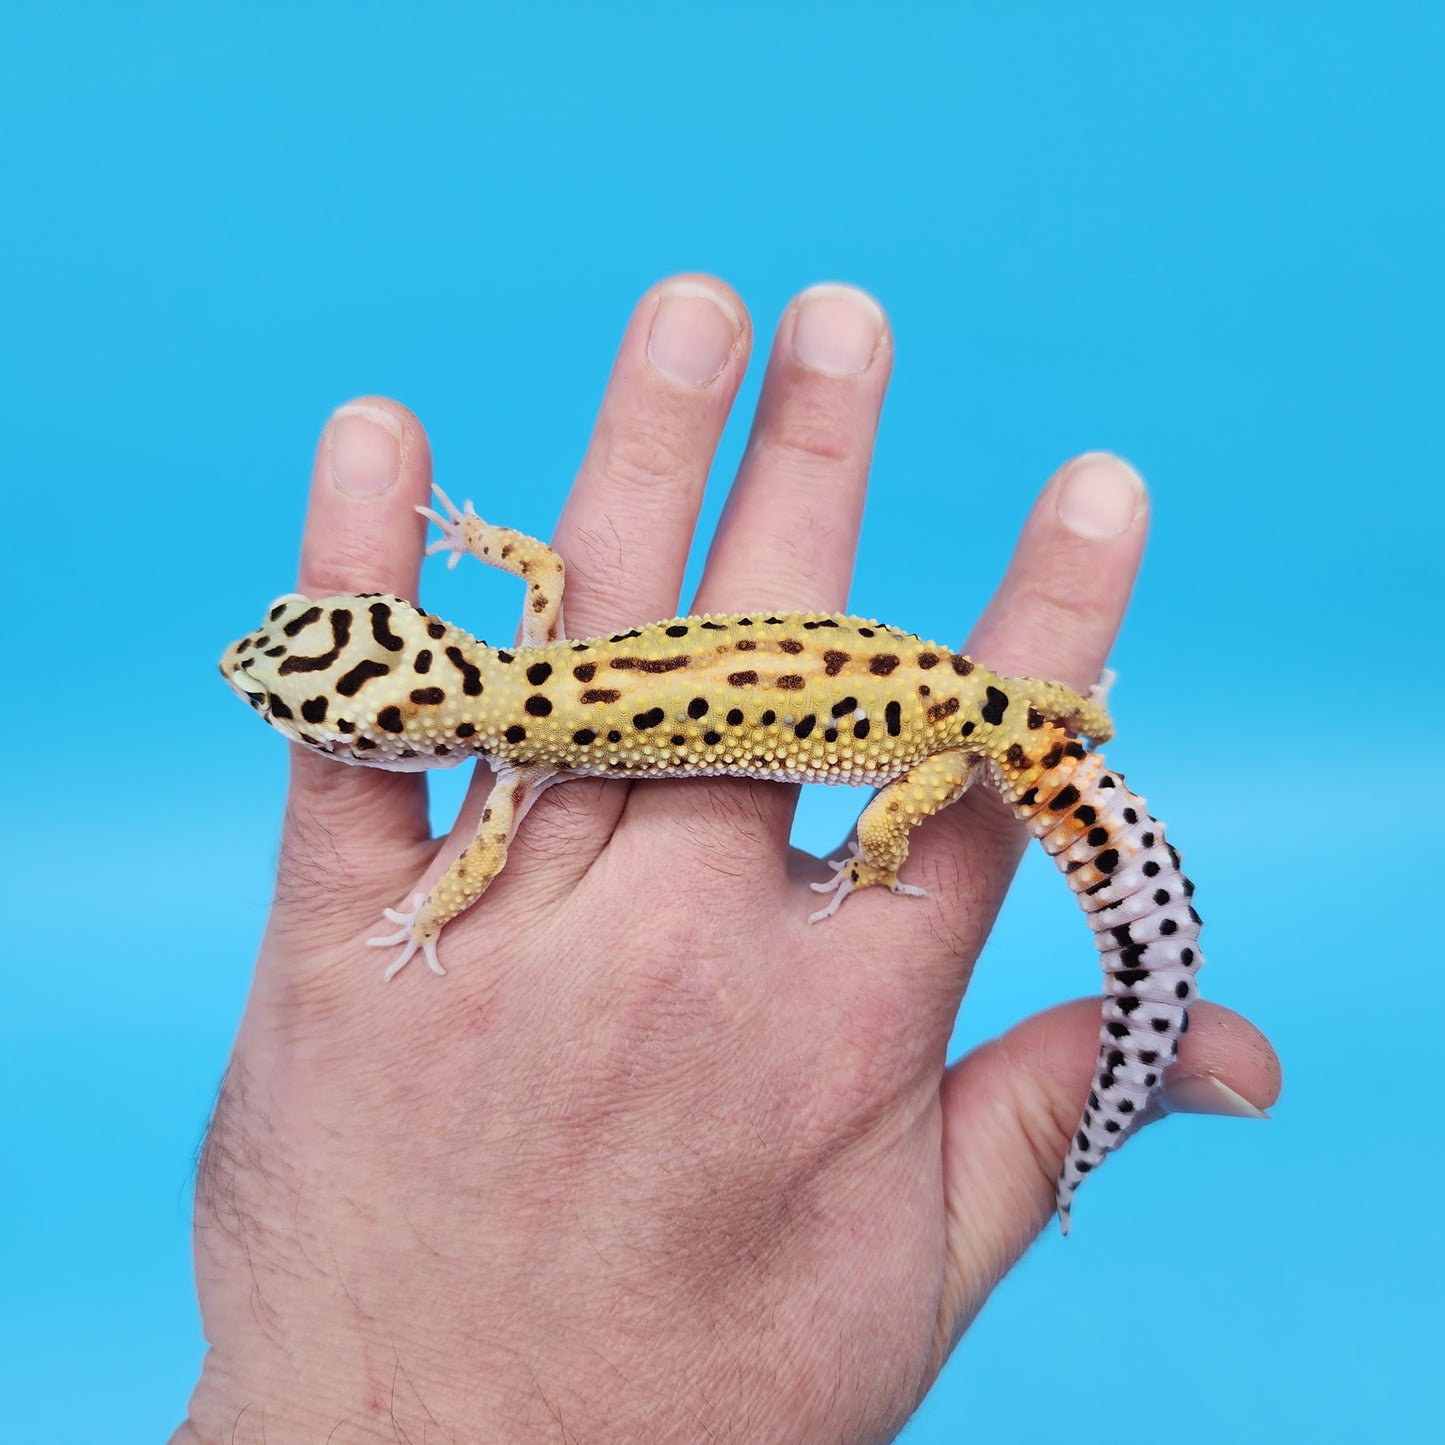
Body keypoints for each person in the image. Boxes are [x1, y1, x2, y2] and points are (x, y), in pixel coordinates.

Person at [175, 278, 1279, 1443]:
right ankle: (1074, 728)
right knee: (1035, 731)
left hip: (947, 748)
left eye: (290, 699)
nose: (251, 679)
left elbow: (476, 861)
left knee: (919, 813)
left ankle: (910, 843)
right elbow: (542, 571)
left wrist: (424, 921)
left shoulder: (514, 768)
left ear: (398, 729)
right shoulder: (529, 674)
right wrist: (476, 542)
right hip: (992, 706)